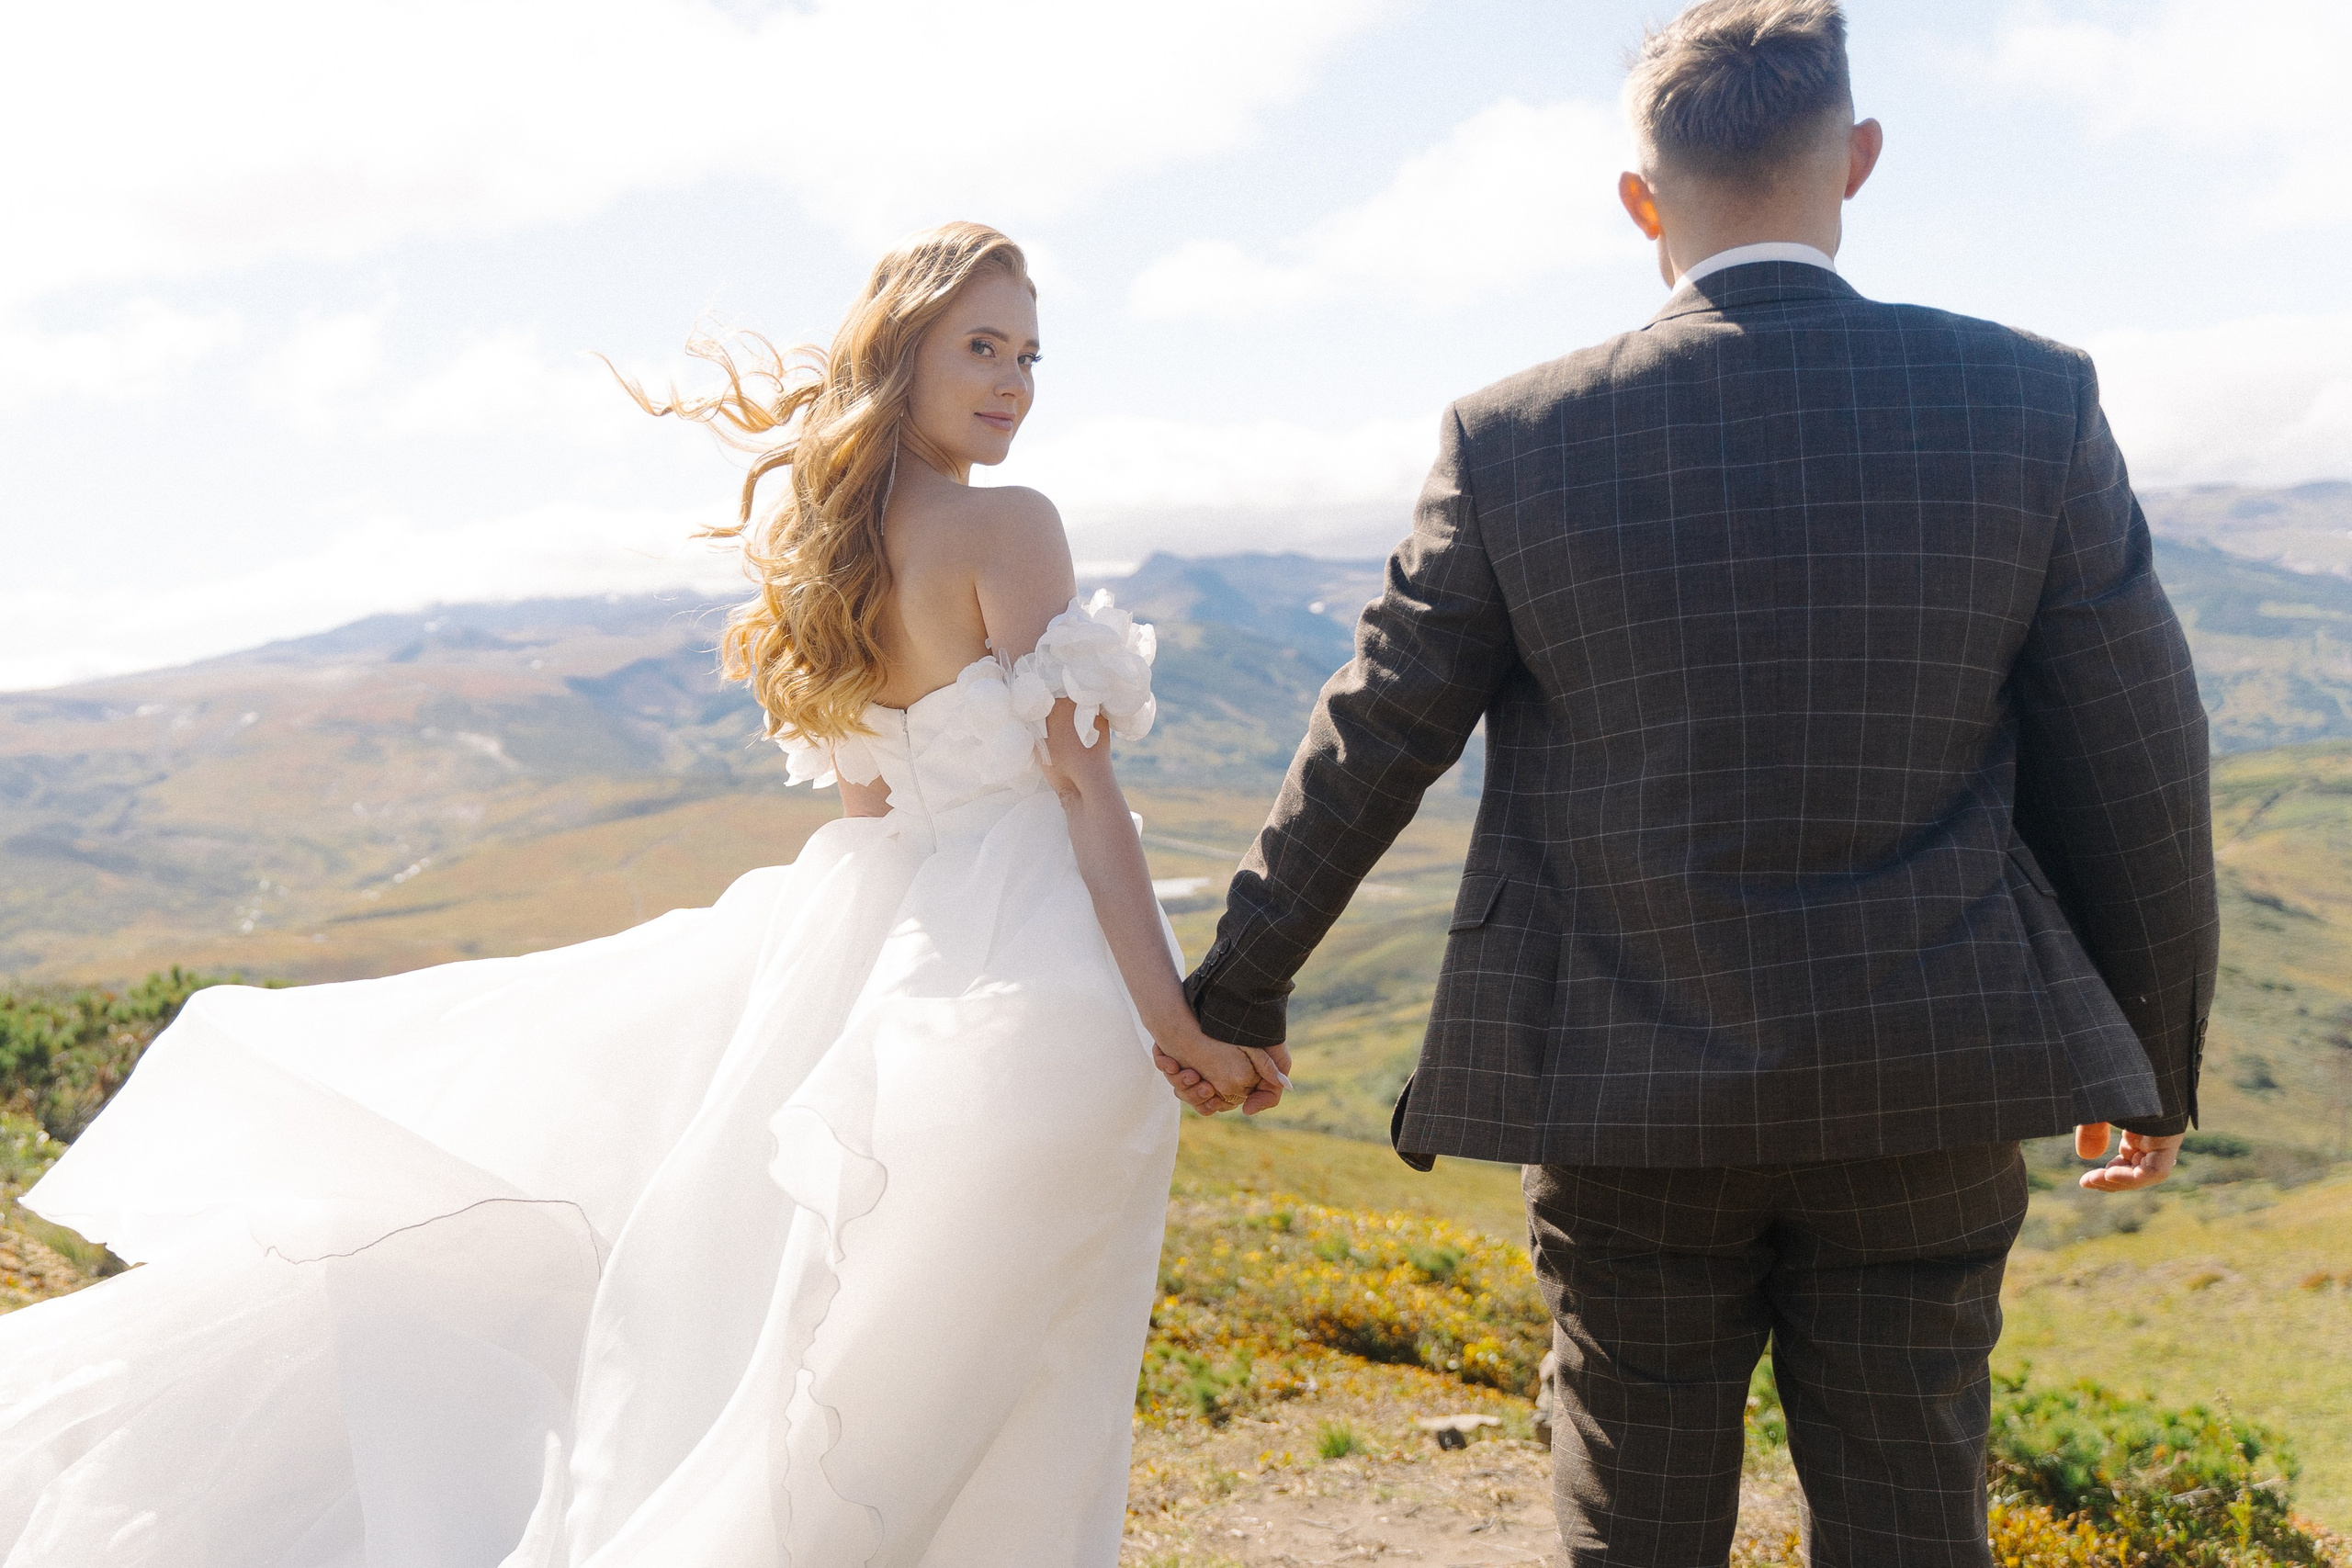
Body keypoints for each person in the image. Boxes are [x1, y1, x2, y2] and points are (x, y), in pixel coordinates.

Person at [0, 221, 1284, 1567]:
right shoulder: (1010, 527)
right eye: (981, 347)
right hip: (1017, 973)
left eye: (1029, 353)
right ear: (899, 356)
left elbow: (873, 805)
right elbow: (1080, 791)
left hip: (866, 942)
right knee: (1003, 1351)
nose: (1015, 379)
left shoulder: (832, 544)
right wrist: (1174, 1025)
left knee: (836, 1344)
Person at [1164, 3, 2217, 1562]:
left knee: (1636, 1528)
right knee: (1915, 1527)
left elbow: (1379, 726)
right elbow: (2137, 752)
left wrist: (1239, 987)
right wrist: (2153, 1051)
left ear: (1641, 199)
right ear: (1855, 163)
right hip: (1921, 1089)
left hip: (1624, 1099)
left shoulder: (1517, 440)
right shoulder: (2029, 404)